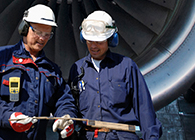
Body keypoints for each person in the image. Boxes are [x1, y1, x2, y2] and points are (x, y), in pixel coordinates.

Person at [0, 4, 78, 140]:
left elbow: (63, 99)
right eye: (37, 32)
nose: (42, 38)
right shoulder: (0, 57)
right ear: (24, 28)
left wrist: (66, 117)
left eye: (47, 34)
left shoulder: (52, 70)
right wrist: (9, 117)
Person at [68, 11, 162, 140]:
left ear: (110, 40)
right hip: (88, 136)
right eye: (90, 41)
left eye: (99, 42)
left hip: (121, 136)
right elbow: (69, 104)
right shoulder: (77, 69)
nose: (93, 46)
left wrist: (152, 137)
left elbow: (144, 107)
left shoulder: (127, 66)